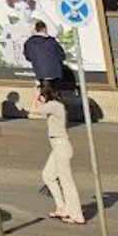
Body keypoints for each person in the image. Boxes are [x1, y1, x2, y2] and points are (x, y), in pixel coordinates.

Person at [34, 83, 85, 224]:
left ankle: (76, 214)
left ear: (46, 95)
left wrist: (35, 95)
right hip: (57, 146)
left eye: (42, 95)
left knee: (66, 180)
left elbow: (35, 109)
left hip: (61, 145)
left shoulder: (54, 105)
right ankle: (62, 207)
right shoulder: (54, 105)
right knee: (48, 175)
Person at [23, 20, 67, 87]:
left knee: (41, 93)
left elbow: (28, 57)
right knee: (55, 94)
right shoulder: (51, 41)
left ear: (35, 29)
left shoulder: (29, 43)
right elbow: (62, 56)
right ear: (44, 29)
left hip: (39, 73)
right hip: (55, 74)